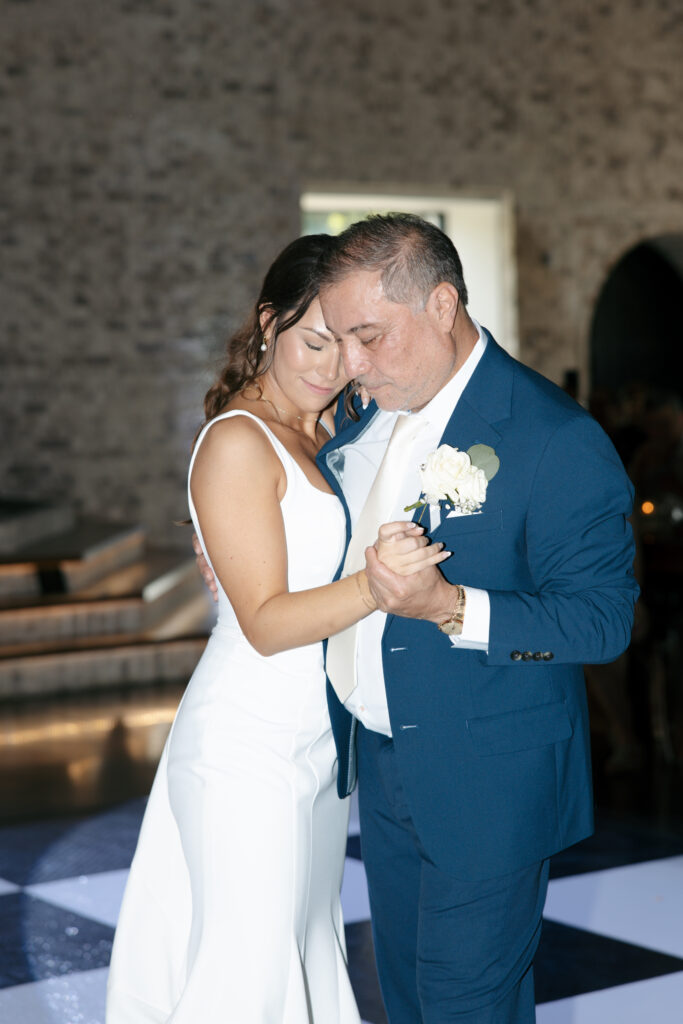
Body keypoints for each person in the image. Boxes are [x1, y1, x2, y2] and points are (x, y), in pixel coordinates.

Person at [195, 216, 638, 1023]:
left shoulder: (552, 436)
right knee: (404, 995)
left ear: (441, 305)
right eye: (339, 340)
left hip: (486, 775)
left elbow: (601, 621)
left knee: (463, 1003)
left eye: (369, 337)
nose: (349, 368)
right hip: (381, 765)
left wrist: (453, 607)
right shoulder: (364, 413)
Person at [105, 234, 446, 1024]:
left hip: (317, 745)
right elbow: (261, 622)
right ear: (268, 324)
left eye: (350, 344)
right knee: (248, 971)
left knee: (300, 945)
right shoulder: (236, 441)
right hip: (246, 744)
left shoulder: (333, 432)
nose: (330, 367)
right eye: (312, 341)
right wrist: (380, 586)